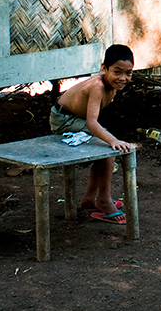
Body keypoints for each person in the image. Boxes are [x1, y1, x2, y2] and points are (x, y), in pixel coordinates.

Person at [50, 44, 135, 225]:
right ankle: (104, 200)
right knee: (108, 151)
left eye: (128, 73)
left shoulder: (111, 85)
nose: (123, 78)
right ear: (104, 68)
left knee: (103, 150)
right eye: (117, 72)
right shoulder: (98, 86)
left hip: (75, 119)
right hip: (64, 121)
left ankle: (89, 200)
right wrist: (112, 139)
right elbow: (91, 122)